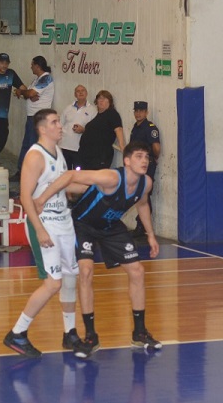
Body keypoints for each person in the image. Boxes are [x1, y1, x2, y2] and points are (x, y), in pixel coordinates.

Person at [36, 142, 161, 354]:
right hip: (84, 225)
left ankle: (139, 333)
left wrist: (151, 235)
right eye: (139, 156)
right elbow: (70, 176)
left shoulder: (146, 183)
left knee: (138, 271)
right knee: (85, 271)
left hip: (111, 227)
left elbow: (142, 204)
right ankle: (91, 336)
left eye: (147, 157)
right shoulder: (111, 178)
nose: (144, 161)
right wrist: (41, 199)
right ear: (127, 161)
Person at [3, 109, 85, 358]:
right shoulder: (35, 156)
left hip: (64, 221)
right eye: (55, 122)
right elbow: (25, 196)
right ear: (42, 129)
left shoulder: (58, 152)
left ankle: (70, 333)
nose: (60, 126)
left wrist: (101, 185)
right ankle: (17, 332)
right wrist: (38, 229)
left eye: (59, 121)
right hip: (45, 224)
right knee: (53, 283)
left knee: (71, 278)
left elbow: (65, 185)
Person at [15, 55, 55, 176]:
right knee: (26, 144)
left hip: (39, 118)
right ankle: (21, 171)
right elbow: (30, 94)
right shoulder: (36, 79)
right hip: (31, 116)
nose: (30, 67)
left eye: (32, 65)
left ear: (37, 66)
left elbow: (31, 93)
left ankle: (32, 174)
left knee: (33, 145)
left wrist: (24, 92)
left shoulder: (46, 78)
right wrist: (27, 94)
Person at [129, 100, 162, 238]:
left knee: (145, 193)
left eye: (141, 111)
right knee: (138, 193)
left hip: (146, 165)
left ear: (146, 112)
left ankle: (143, 225)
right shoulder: (135, 127)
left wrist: (151, 159)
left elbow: (156, 147)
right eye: (136, 111)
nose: (138, 113)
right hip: (135, 166)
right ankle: (140, 224)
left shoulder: (150, 128)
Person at [75, 90, 125, 170]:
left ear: (110, 101)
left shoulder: (112, 114)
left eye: (104, 98)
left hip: (99, 157)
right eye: (99, 98)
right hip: (86, 155)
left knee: (94, 180)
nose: (101, 100)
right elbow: (96, 132)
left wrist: (123, 147)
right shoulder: (97, 116)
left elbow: (118, 129)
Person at [58, 84, 95, 168]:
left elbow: (94, 131)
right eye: (78, 91)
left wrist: (84, 130)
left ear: (86, 93)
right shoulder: (68, 108)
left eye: (83, 90)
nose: (80, 93)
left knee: (77, 174)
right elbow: (60, 124)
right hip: (65, 146)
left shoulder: (93, 110)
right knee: (65, 173)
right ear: (75, 94)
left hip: (79, 148)